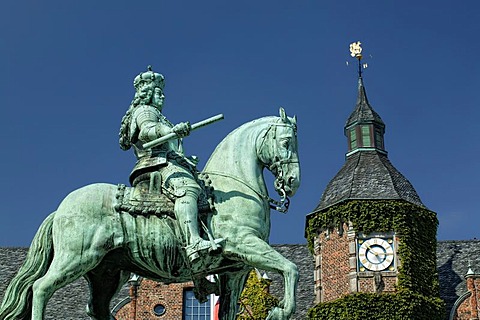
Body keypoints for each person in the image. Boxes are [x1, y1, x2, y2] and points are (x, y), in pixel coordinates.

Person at [119, 66, 223, 262]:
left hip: (166, 161)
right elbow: (147, 131)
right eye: (158, 93)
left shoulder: (156, 113)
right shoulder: (145, 110)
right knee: (188, 188)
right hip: (154, 163)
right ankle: (193, 243)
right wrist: (171, 130)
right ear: (148, 94)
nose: (163, 97)